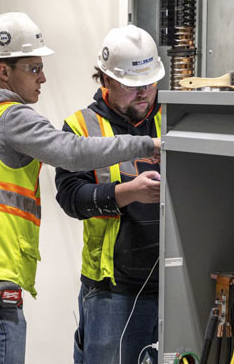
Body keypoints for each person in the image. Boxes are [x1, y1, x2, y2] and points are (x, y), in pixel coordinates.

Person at [0, 13, 161, 364]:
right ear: (4, 72)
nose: (43, 77)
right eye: (34, 68)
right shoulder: (12, 118)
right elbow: (72, 151)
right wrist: (148, 146)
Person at [55, 25, 165, 364]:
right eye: (133, 86)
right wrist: (128, 193)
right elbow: (71, 197)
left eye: (150, 82)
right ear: (106, 80)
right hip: (113, 290)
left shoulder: (175, 117)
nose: (144, 92)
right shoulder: (80, 127)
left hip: (175, 282)